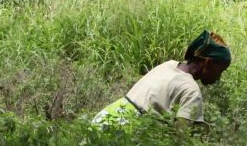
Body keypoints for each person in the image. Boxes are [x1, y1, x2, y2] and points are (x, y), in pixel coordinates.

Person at [92, 30, 231, 128]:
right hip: (126, 130)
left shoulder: (168, 65)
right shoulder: (192, 91)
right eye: (220, 71)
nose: (219, 77)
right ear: (208, 63)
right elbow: (181, 141)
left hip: (104, 117)